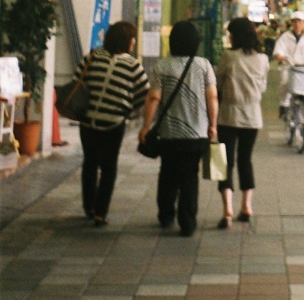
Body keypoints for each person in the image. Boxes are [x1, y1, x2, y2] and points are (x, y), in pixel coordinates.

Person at [139, 20, 218, 237]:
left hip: (169, 135)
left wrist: (146, 126)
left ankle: (166, 215)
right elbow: (212, 97)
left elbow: (154, 97)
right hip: (197, 134)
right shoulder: (204, 66)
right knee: (190, 176)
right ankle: (188, 222)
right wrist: (213, 125)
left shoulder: (162, 66)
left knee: (168, 173)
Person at [77, 21, 149, 226]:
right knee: (109, 167)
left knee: (90, 163)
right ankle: (100, 212)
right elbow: (144, 94)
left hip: (88, 122)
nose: (134, 43)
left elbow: (77, 81)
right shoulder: (132, 65)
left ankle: (88, 206)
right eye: (132, 39)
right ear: (127, 41)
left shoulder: (93, 56)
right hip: (114, 124)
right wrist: (128, 108)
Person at [214, 16, 269, 228]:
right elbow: (262, 88)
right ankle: (247, 206)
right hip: (253, 116)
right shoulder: (262, 59)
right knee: (245, 160)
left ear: (235, 35)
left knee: (222, 162)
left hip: (228, 115)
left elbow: (218, 84)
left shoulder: (229, 56)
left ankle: (227, 210)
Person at [273, 11, 304, 124]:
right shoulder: (285, 37)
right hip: (290, 67)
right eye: (295, 22)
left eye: (300, 22)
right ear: (291, 23)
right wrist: (281, 57)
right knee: (285, 83)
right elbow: (278, 51)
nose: (297, 25)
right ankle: (284, 105)